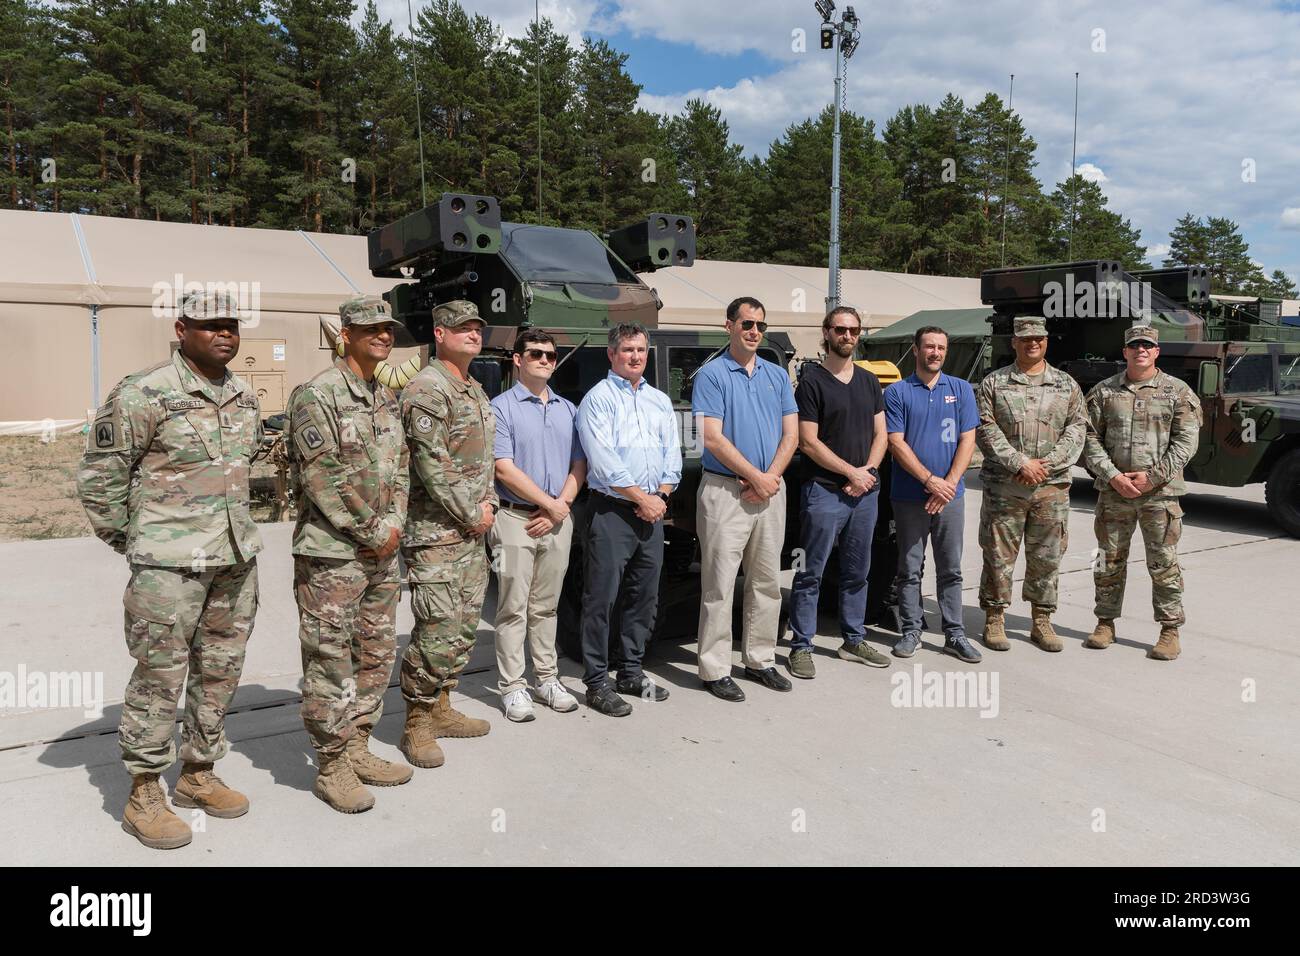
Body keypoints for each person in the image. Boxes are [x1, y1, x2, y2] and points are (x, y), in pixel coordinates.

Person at [77, 290, 261, 850]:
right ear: (181, 329)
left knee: (220, 672)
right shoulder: (144, 392)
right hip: (168, 567)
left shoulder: (242, 395)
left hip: (234, 559)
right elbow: (100, 477)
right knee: (159, 677)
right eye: (210, 326)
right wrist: (136, 542)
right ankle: (144, 790)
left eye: (231, 325)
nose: (224, 334)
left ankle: (199, 772)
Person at [287, 295, 410, 813]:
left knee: (376, 654)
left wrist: (395, 524)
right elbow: (323, 475)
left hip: (382, 552)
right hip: (333, 555)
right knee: (329, 660)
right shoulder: (317, 395)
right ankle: (331, 761)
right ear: (346, 333)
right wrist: (372, 528)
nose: (383, 336)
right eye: (371, 329)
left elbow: (401, 467)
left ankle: (358, 743)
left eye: (388, 329)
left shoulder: (382, 396)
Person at [398, 300, 497, 768]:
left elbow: (484, 461)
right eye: (463, 329)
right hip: (435, 534)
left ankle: (441, 706)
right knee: (436, 628)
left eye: (477, 328)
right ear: (440, 334)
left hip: (471, 530)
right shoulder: (427, 388)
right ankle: (416, 721)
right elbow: (431, 465)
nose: (473, 334)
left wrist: (490, 504)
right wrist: (471, 512)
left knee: (462, 628)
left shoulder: (473, 388)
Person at [692, 297, 798, 701]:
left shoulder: (776, 375)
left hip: (771, 490)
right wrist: (753, 476)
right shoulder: (713, 375)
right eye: (747, 323)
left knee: (767, 583)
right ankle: (715, 668)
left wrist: (769, 479)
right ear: (729, 326)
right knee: (719, 585)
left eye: (760, 325)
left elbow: (792, 434)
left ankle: (760, 659)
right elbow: (712, 436)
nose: (754, 331)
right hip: (725, 492)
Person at [576, 323, 681, 717]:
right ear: (611, 354)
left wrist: (662, 497)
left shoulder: (659, 401)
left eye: (640, 350)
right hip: (612, 512)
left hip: (652, 512)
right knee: (601, 598)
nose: (635, 356)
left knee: (643, 596)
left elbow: (673, 454)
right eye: (627, 350)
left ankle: (631, 672)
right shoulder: (597, 400)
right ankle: (597, 681)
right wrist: (642, 498)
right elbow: (603, 461)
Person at [1083, 324, 1201, 660]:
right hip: (1114, 492)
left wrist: (1152, 478)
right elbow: (1089, 439)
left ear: (1157, 351)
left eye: (1147, 345)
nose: (1141, 351)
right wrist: (1113, 476)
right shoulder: (1105, 392)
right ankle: (1105, 623)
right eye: (1134, 345)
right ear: (1125, 352)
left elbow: (1185, 443)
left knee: (1164, 563)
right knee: (1107, 560)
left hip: (1159, 495)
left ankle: (1169, 630)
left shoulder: (1177, 392)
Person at [488, 329, 587, 722]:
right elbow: (503, 468)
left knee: (546, 607)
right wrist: (549, 504)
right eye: (535, 354)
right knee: (513, 606)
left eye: (549, 355)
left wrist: (560, 506)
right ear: (517, 359)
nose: (544, 360)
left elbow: (579, 464)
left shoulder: (568, 409)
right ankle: (513, 687)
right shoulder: (500, 409)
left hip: (558, 519)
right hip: (515, 519)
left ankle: (547, 678)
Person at [787, 306, 889, 680]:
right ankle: (801, 645)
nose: (848, 336)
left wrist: (868, 473)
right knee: (810, 571)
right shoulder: (812, 382)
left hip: (864, 493)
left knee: (857, 571)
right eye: (841, 330)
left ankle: (853, 638)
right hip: (825, 492)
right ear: (827, 332)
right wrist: (851, 473)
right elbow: (808, 443)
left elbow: (881, 435)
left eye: (854, 330)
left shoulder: (868, 381)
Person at [975, 317, 1087, 652]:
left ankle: (1042, 619)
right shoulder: (994, 383)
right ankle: (994, 617)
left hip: (1050, 488)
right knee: (998, 555)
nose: (1031, 344)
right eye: (1024, 339)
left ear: (1046, 342)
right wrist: (1019, 462)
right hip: (1005, 487)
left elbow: (1077, 428)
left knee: (1047, 556)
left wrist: (1046, 466)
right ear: (1014, 343)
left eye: (1037, 338)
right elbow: (984, 427)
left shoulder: (1066, 385)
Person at [884, 326, 981, 662]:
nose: (935, 353)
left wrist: (948, 484)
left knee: (950, 568)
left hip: (950, 496)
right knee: (909, 568)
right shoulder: (897, 392)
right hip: (909, 496)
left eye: (941, 347)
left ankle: (955, 633)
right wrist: (930, 480)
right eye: (929, 347)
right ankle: (911, 631)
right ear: (916, 350)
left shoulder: (961, 390)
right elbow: (896, 443)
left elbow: (968, 439)